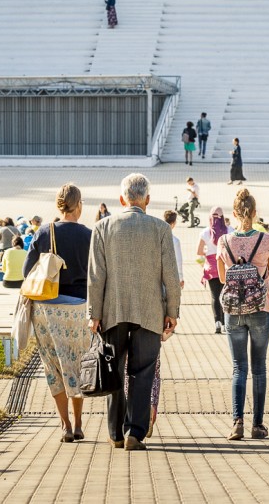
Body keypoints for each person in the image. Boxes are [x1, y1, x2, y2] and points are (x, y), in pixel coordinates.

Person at [87, 174, 181, 450]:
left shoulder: (103, 227)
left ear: (121, 199)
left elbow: (95, 276)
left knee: (113, 369)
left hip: (112, 311)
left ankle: (115, 433)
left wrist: (93, 313)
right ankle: (134, 433)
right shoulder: (161, 229)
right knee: (142, 372)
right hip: (150, 312)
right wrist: (172, 311)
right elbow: (171, 277)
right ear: (147, 200)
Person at [25, 184, 93, 442]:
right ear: (79, 205)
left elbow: (27, 272)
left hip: (47, 308)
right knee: (76, 364)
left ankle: (64, 425)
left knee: (53, 365)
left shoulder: (44, 232)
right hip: (78, 307)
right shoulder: (89, 234)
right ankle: (78, 424)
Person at [216, 188, 269, 440]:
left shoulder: (224, 242)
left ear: (234, 213)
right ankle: (258, 425)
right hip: (260, 307)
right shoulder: (267, 240)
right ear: (254, 213)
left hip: (234, 310)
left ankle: (237, 422)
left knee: (239, 367)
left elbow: (221, 277)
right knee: (259, 367)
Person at [197, 206, 227, 333]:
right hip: (225, 267)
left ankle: (217, 323)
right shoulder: (229, 230)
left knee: (215, 296)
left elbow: (198, 251)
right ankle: (226, 323)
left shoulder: (204, 232)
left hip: (211, 268)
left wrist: (208, 254)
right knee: (225, 295)